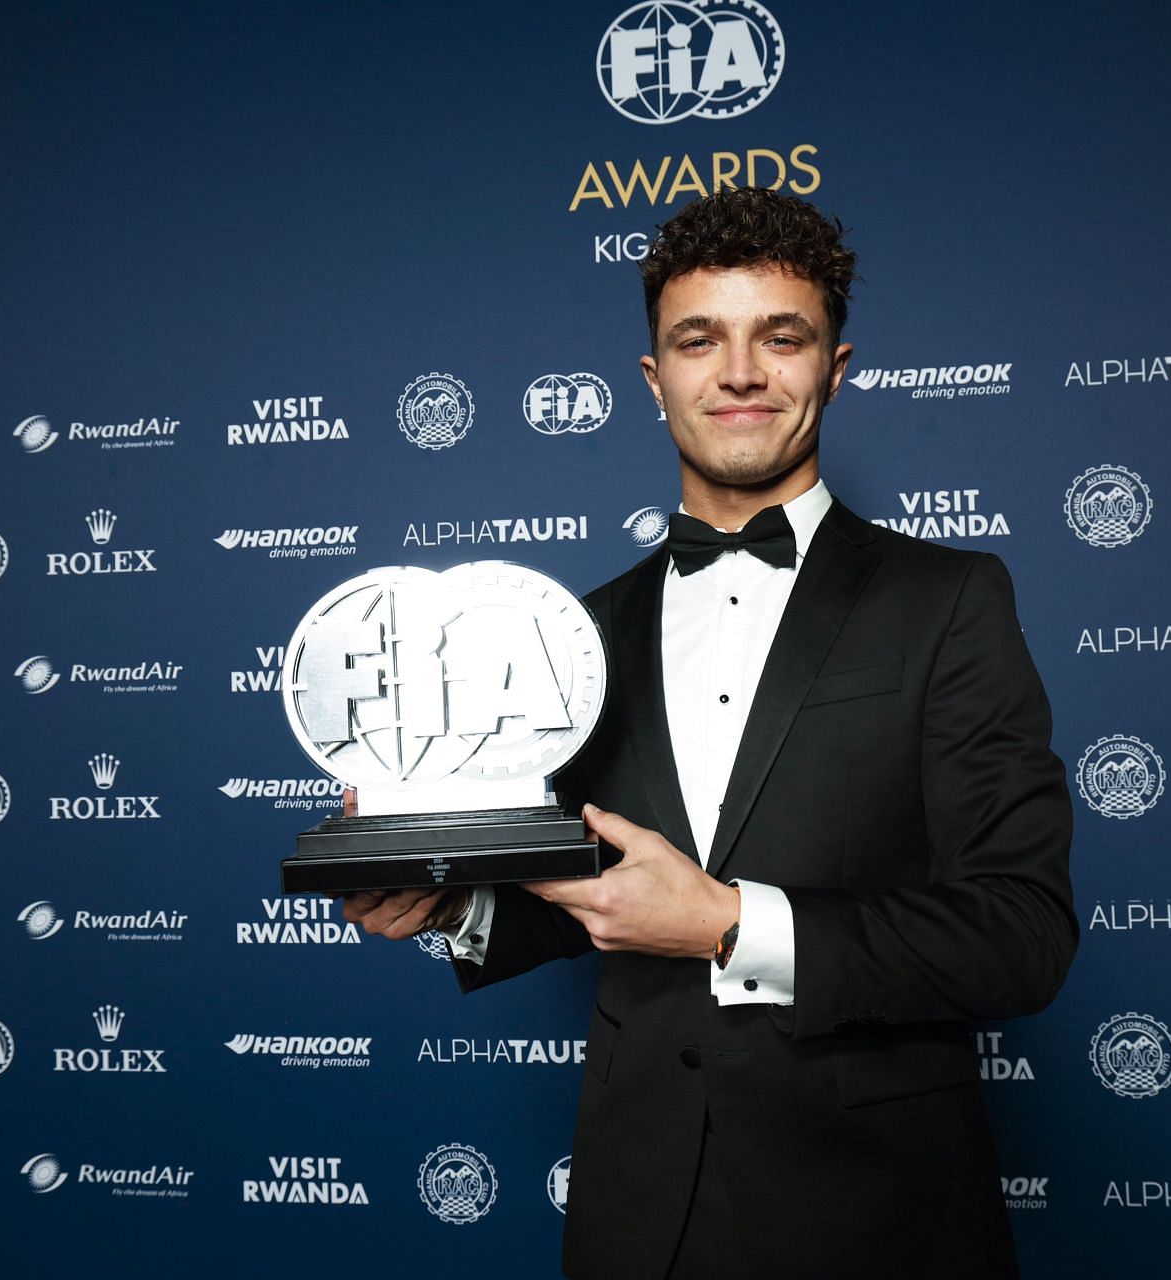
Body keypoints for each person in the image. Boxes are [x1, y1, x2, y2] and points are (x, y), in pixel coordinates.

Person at [343, 187, 1076, 1278]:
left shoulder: (950, 599)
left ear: (835, 364)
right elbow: (587, 886)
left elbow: (1020, 932)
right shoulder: (580, 629)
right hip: (638, 1219)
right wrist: (449, 899)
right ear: (655, 378)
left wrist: (730, 920)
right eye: (699, 339)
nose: (739, 371)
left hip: (882, 1216)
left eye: (781, 336)